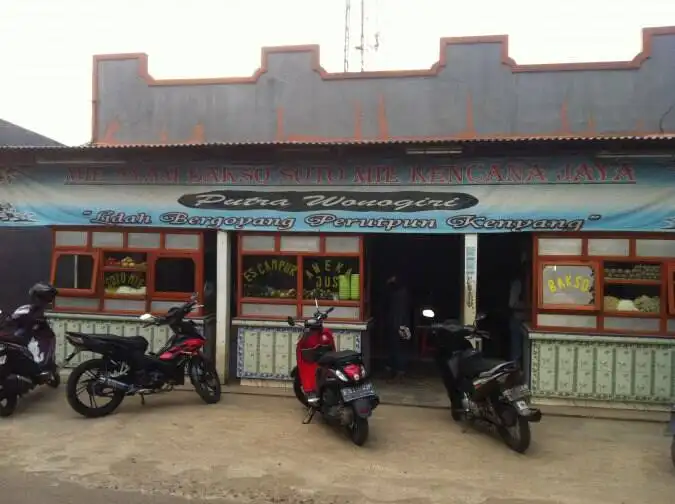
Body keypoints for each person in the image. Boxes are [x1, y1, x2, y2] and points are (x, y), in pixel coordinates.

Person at [383, 273, 412, 382]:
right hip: (398, 324)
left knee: (398, 349)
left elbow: (400, 312)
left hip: (399, 325)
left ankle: (399, 373)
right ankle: (396, 372)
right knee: (396, 349)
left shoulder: (400, 294)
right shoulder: (400, 293)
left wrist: (400, 326)